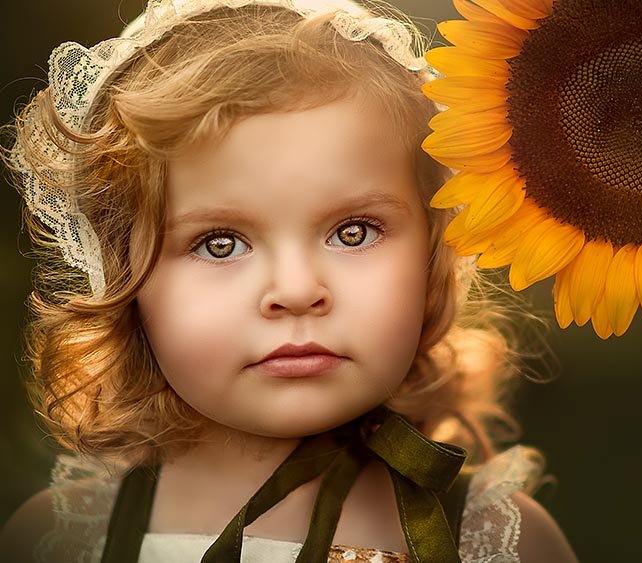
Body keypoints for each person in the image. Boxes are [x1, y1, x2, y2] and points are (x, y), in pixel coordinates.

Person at [0, 0, 578, 561]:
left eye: (354, 232)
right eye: (220, 243)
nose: (298, 290)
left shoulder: (501, 541)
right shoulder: (63, 541)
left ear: (434, 255)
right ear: (123, 281)